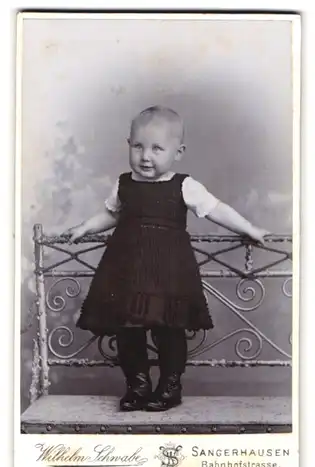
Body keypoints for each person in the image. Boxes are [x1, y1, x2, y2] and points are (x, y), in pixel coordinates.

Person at [62, 105, 268, 412]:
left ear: (178, 151)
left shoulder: (184, 185)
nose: (146, 156)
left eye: (157, 148)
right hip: (127, 272)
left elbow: (216, 209)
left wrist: (249, 228)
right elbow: (110, 214)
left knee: (168, 329)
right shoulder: (125, 184)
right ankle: (138, 384)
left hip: (168, 272)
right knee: (127, 328)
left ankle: (171, 385)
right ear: (128, 145)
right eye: (138, 147)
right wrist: (85, 227)